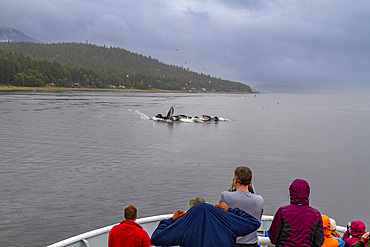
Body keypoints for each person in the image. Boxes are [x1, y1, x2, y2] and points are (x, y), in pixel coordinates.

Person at [150, 201, 261, 247]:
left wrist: (172, 220)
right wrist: (229, 210)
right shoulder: (225, 220)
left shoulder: (186, 224)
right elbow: (253, 223)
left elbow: (156, 238)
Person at [268, 179, 324, 247]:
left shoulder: (283, 211)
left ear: (291, 192)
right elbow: (319, 241)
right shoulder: (316, 215)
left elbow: (273, 237)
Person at [219, 166, 264, 247]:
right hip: (251, 244)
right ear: (250, 181)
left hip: (231, 243)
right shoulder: (259, 200)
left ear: (235, 180)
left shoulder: (225, 196)